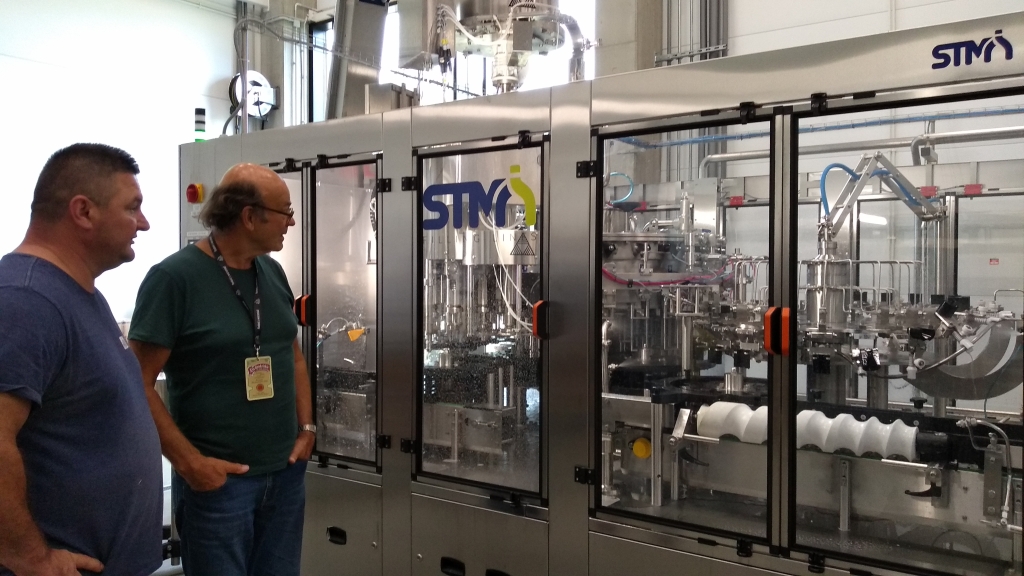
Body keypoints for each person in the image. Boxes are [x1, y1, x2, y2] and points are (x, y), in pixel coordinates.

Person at [129, 163, 314, 576]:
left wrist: (307, 429)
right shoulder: (174, 279)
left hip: (285, 476)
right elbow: (136, 383)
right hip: (219, 485)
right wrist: (190, 464)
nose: (291, 222)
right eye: (285, 212)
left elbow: (293, 355)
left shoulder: (272, 271)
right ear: (249, 216)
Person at [0, 144, 161, 576]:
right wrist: (32, 558)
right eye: (133, 208)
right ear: (83, 211)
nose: (144, 223)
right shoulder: (25, 301)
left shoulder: (79, 292)